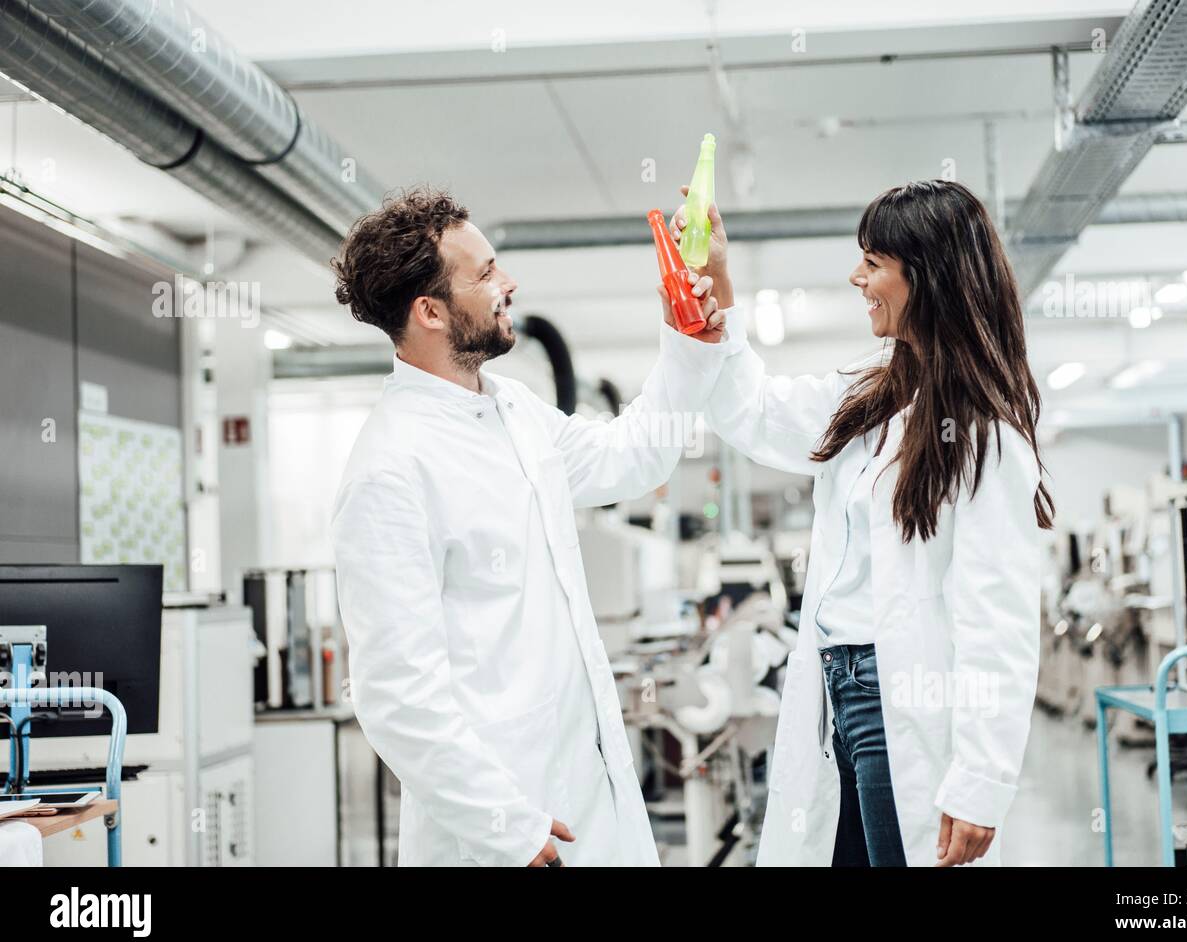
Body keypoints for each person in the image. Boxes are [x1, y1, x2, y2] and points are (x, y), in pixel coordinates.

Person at [329, 187, 726, 866]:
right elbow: (398, 695)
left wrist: (684, 339)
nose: (507, 283)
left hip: (582, 794)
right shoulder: (389, 469)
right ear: (429, 311)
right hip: (502, 828)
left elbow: (625, 457)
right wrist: (509, 827)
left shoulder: (511, 407)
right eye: (484, 274)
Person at [665, 179, 1054, 866]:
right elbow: (753, 411)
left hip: (899, 700)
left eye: (872, 261)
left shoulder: (985, 438)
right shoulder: (871, 398)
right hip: (838, 695)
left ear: (925, 275)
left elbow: (1000, 621)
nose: (857, 277)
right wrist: (718, 277)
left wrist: (982, 777)